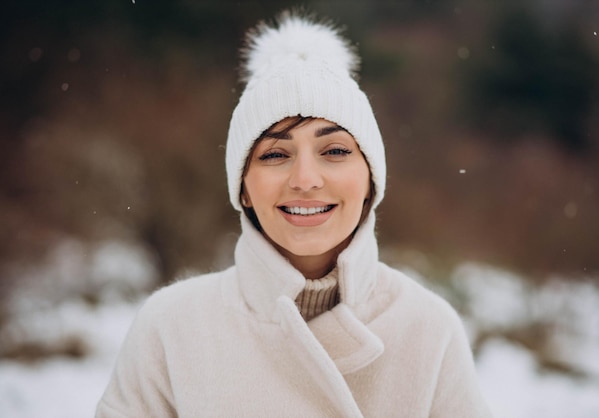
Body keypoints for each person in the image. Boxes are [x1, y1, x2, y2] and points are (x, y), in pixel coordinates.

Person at [96, 10, 491, 417]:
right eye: (275, 154)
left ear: (371, 178)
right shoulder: (171, 326)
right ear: (243, 188)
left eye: (335, 151)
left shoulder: (428, 328)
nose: (305, 179)